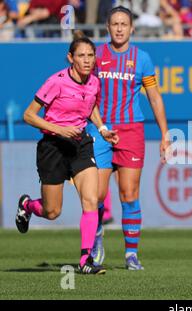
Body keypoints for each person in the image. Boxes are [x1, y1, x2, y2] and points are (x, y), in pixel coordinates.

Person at [15, 30, 119, 275]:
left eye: (90, 55)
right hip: (53, 146)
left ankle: (86, 260)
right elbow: (28, 115)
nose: (86, 60)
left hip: (80, 144)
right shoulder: (56, 82)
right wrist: (59, 130)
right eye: (81, 55)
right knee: (52, 211)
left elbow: (91, 106)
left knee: (92, 199)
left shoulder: (94, 81)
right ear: (70, 58)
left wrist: (102, 128)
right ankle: (28, 206)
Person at [88, 6, 170, 270]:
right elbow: (86, 92)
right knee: (97, 195)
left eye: (124, 24)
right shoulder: (97, 55)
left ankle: (131, 254)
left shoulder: (142, 58)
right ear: (108, 28)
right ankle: (97, 236)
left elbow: (154, 96)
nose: (120, 28)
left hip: (131, 131)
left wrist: (164, 133)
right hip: (100, 131)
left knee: (129, 194)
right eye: (115, 24)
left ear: (132, 28)